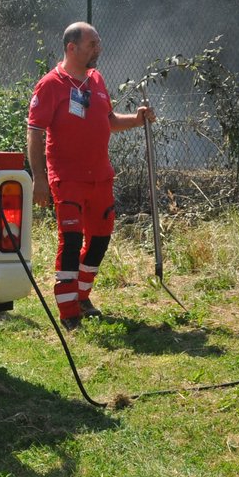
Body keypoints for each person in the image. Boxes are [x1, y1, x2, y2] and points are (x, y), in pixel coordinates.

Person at [26, 21, 154, 330]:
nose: (99, 49)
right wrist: (39, 180)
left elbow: (108, 120)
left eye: (98, 43)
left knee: (99, 240)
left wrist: (136, 120)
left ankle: (82, 296)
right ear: (72, 48)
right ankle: (69, 313)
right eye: (92, 44)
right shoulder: (50, 84)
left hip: (100, 177)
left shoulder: (96, 80)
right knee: (71, 242)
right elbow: (34, 133)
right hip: (66, 179)